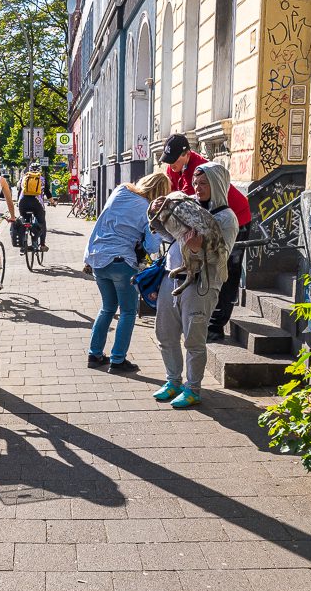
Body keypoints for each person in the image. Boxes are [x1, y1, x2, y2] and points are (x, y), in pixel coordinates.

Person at [149, 162, 239, 408]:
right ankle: (173, 381)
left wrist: (199, 249)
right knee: (165, 334)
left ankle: (193, 388)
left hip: (202, 284)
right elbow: (171, 237)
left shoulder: (226, 218)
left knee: (193, 339)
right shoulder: (188, 206)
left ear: (218, 185)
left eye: (204, 184)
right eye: (196, 183)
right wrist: (159, 216)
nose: (197, 188)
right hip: (172, 277)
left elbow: (222, 256)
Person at [159, 134, 253, 341]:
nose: (170, 165)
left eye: (174, 160)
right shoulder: (173, 167)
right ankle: (199, 310)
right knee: (200, 262)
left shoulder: (202, 169)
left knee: (225, 268)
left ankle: (215, 325)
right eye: (168, 160)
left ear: (187, 154)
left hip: (235, 217)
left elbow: (185, 203)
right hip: (202, 221)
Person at [84, 172, 170, 373]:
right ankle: (118, 359)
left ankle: (94, 354)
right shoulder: (149, 210)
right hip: (121, 262)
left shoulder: (120, 190)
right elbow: (151, 247)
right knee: (128, 311)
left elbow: (102, 220)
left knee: (107, 308)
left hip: (98, 258)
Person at [17, 162, 51, 252]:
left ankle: (23, 244)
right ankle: (42, 245)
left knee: (23, 222)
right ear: (40, 170)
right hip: (37, 203)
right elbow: (47, 193)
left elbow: (19, 192)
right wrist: (53, 202)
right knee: (42, 222)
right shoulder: (42, 179)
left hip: (23, 203)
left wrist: (18, 203)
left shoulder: (24, 178)